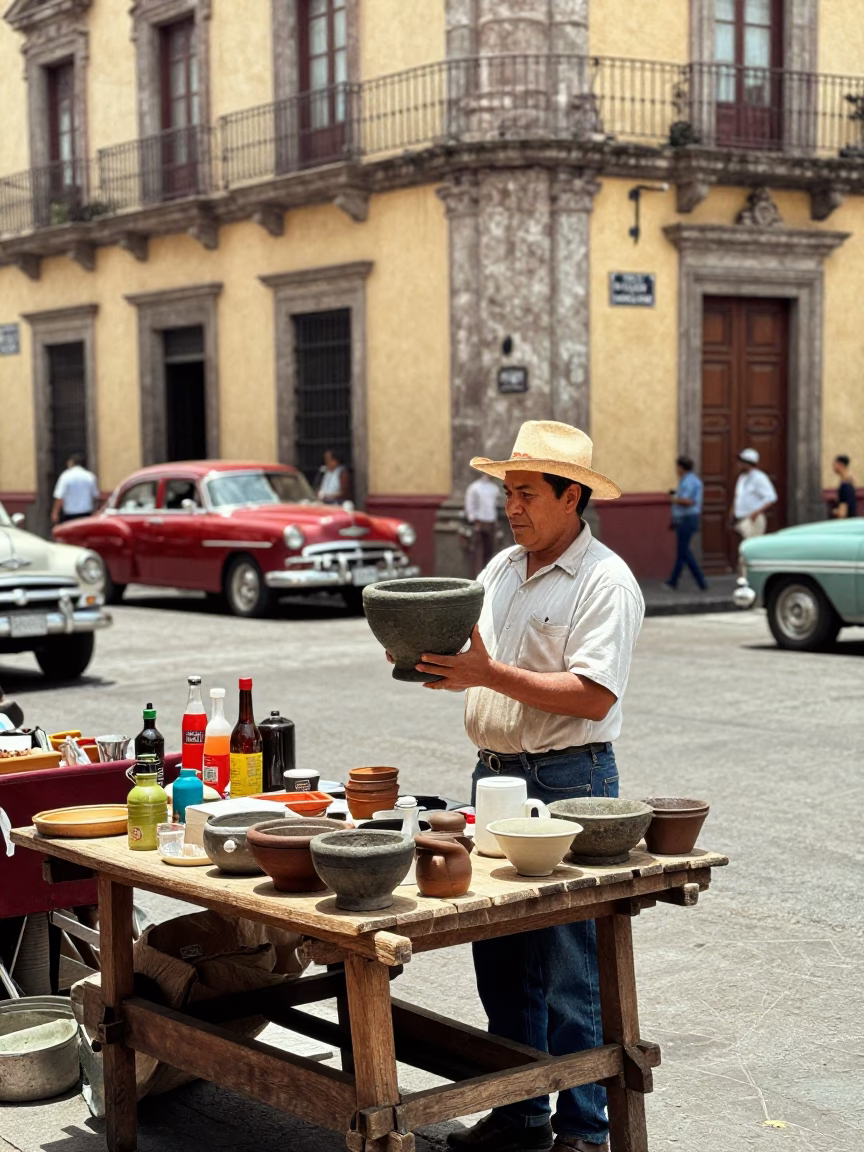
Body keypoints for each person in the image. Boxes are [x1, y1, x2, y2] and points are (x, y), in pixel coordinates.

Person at [415, 420, 644, 1152]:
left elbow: (593, 696)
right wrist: (432, 655)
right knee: (504, 961)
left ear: (571, 496)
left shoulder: (605, 580)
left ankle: (584, 1130)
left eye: (526, 492)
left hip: (570, 781)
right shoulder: (501, 571)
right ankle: (522, 1116)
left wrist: (488, 677)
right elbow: (474, 658)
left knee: (571, 968)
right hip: (495, 781)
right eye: (506, 491)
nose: (511, 506)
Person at [730, 448, 777, 574]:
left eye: (742, 461)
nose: (739, 464)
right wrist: (733, 513)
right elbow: (738, 496)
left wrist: (755, 512)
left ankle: (750, 577)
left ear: (748, 463)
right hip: (741, 518)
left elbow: (771, 498)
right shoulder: (742, 478)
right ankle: (744, 577)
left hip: (753, 519)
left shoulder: (760, 478)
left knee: (750, 550)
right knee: (744, 550)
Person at [666, 455, 707, 591]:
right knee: (683, 552)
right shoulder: (689, 480)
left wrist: (674, 499)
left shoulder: (688, 481)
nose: (676, 470)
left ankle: (677, 581)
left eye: (677, 467)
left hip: (686, 519)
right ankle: (677, 581)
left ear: (681, 467)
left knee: (683, 552)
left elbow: (688, 501)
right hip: (685, 519)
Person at [465, 472, 500, 577]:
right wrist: (473, 519)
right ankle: (478, 575)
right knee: (478, 551)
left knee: (490, 551)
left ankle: (488, 575)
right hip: (479, 521)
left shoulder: (494, 488)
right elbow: (470, 504)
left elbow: (494, 505)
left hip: (491, 521)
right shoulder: (475, 487)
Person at [51, 453, 99, 525]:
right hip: (86, 513)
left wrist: (55, 513)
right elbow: (95, 496)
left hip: (70, 514)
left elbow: (59, 496)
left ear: (71, 462)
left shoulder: (65, 476)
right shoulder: (90, 476)